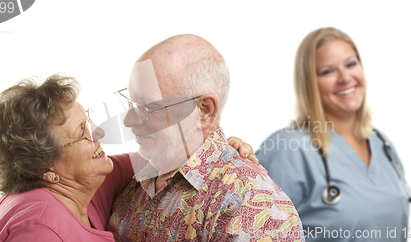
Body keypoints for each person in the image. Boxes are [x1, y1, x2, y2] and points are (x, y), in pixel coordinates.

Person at [0, 74, 258, 241]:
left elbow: (158, 158)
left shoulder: (88, 184)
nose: (99, 132)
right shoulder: (40, 230)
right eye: (82, 133)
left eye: (88, 121)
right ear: (46, 166)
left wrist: (218, 147)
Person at [107, 34, 304, 242]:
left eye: (148, 107)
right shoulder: (134, 182)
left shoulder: (252, 204)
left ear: (204, 110)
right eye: (131, 102)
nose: (128, 121)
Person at [256, 27, 411, 242]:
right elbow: (258, 232)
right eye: (327, 71)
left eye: (351, 64)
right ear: (309, 83)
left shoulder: (382, 144)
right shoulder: (287, 149)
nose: (345, 78)